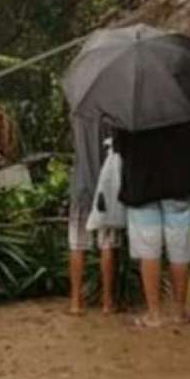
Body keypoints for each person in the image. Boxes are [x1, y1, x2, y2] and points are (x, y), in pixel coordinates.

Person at [116, 119, 190, 328]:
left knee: (148, 250)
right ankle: (179, 312)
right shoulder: (183, 108)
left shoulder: (130, 112)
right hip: (178, 186)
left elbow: (120, 149)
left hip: (142, 188)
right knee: (180, 248)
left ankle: (154, 314)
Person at [68, 113, 122, 316]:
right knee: (107, 243)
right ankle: (107, 302)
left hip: (80, 186)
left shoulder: (77, 115)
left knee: (77, 244)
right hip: (105, 187)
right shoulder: (112, 115)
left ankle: (75, 302)